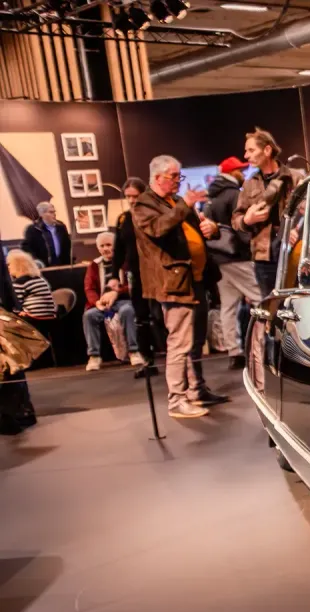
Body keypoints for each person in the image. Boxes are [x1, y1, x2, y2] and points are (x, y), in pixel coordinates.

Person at [132, 155, 229, 419]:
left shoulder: (175, 201)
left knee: (196, 341)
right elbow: (158, 229)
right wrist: (185, 205)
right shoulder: (144, 204)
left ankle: (197, 390)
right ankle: (176, 399)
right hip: (174, 283)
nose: (178, 181)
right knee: (179, 342)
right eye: (173, 176)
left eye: (179, 176)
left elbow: (198, 230)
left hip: (196, 279)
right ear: (157, 177)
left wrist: (211, 229)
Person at [232, 128, 306, 299]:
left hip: (295, 252)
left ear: (267, 150)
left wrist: (297, 230)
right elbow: (236, 220)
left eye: (251, 150)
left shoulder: (294, 178)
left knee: (298, 301)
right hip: (264, 257)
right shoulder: (249, 184)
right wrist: (247, 220)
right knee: (271, 305)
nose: (246, 156)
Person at [206, 156, 257, 370]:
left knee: (228, 306)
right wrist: (251, 246)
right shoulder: (234, 194)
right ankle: (266, 344)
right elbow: (241, 227)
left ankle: (233, 351)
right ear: (231, 173)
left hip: (219, 258)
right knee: (262, 299)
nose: (243, 173)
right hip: (238, 257)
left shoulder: (211, 198)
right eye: (240, 170)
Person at [111, 177, 161, 377]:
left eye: (135, 196)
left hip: (156, 272)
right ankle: (147, 361)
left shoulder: (154, 215)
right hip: (136, 273)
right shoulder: (123, 219)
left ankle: (175, 359)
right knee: (141, 318)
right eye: (128, 196)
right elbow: (118, 250)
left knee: (160, 316)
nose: (132, 200)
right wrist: (114, 275)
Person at [82, 231, 144, 371]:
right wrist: (97, 302)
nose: (105, 249)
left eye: (109, 245)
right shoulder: (94, 265)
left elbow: (133, 285)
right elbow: (89, 288)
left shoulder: (126, 262)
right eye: (102, 246)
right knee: (89, 316)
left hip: (124, 300)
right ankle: (94, 356)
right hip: (103, 304)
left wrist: (117, 292)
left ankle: (134, 351)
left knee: (127, 311)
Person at [5, 249, 57, 320]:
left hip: (34, 320)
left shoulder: (20, 283)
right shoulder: (39, 279)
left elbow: (14, 306)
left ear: (17, 266)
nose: (8, 267)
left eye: (9, 264)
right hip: (51, 319)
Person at [21, 202, 72, 267]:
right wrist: (36, 261)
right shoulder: (33, 229)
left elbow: (67, 245)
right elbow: (26, 248)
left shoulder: (61, 227)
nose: (54, 214)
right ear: (42, 214)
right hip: (43, 266)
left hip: (62, 265)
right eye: (51, 212)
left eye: (54, 212)